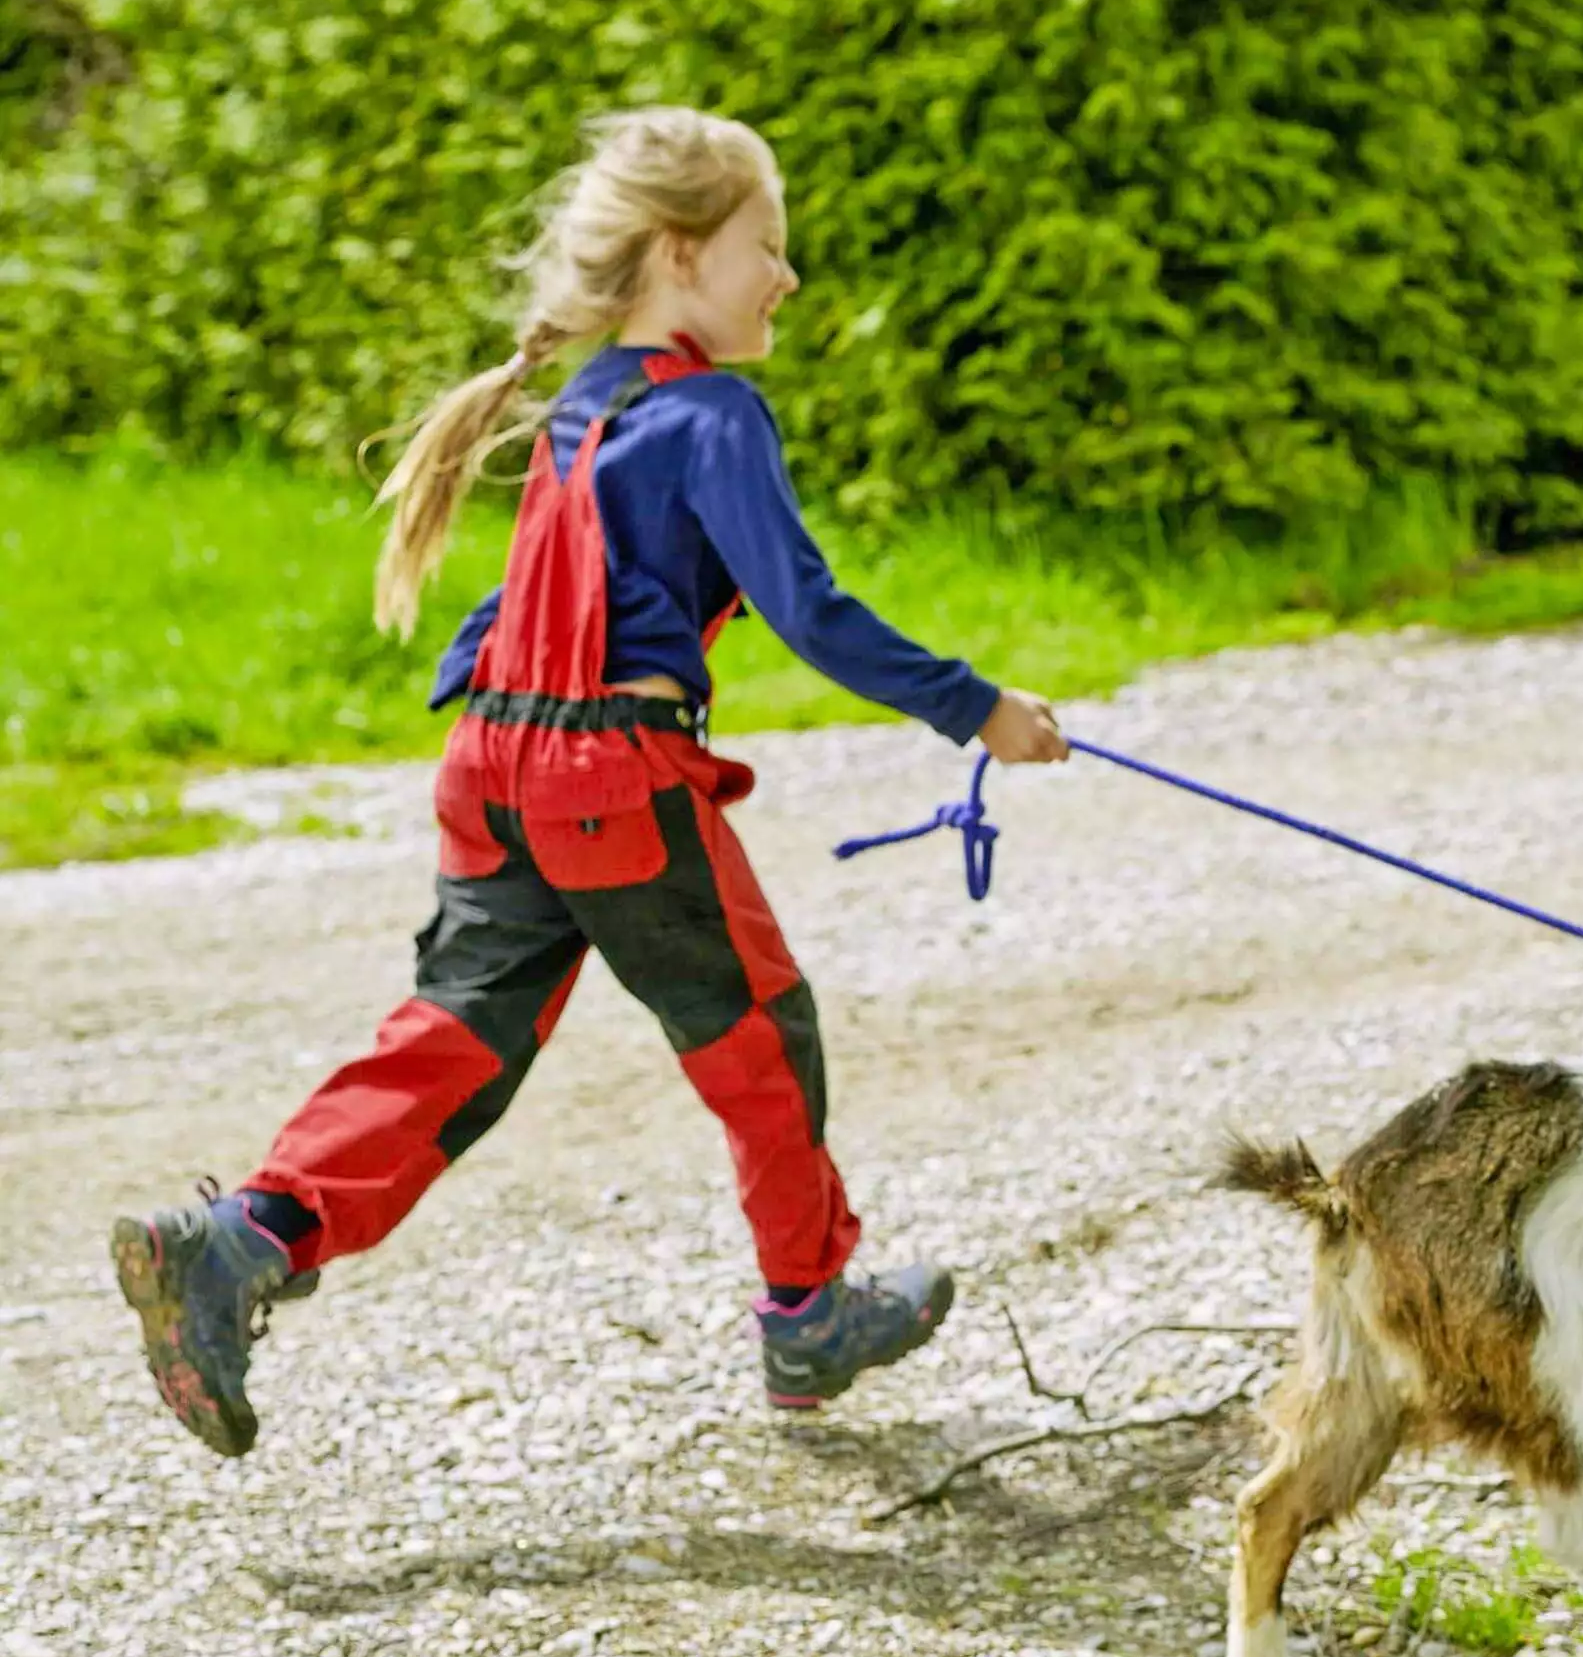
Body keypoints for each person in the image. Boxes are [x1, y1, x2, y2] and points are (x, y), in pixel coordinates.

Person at [111, 108, 1069, 1457]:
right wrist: (980, 710)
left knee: (457, 1036)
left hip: (492, 762)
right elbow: (807, 607)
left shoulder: (585, 404)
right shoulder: (712, 411)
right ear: (680, 253)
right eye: (766, 246)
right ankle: (809, 1311)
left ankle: (242, 1237)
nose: (787, 277)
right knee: (759, 1036)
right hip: (608, 779)